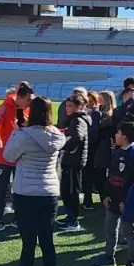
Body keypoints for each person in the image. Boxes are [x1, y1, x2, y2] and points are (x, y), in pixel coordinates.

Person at [2, 97, 66, 266]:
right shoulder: (56, 135)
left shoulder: (23, 135)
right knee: (47, 241)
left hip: (26, 192)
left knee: (28, 242)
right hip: (49, 192)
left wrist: (15, 132)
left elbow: (9, 156)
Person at [93, 121, 134, 266]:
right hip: (113, 199)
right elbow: (111, 176)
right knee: (110, 228)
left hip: (127, 202)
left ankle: (131, 262)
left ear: (124, 136)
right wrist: (106, 195)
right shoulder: (117, 151)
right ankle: (109, 256)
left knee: (130, 231)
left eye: (117, 133)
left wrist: (127, 201)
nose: (115, 135)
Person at [0, 82, 33, 234]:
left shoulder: (28, 109)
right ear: (19, 98)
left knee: (21, 190)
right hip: (3, 156)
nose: (29, 102)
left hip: (21, 157)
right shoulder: (6, 107)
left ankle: (17, 218)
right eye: (27, 99)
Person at [58, 93, 91, 232]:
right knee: (66, 190)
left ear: (79, 106)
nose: (67, 108)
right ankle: (70, 216)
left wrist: (64, 145)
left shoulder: (78, 120)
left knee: (71, 191)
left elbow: (77, 137)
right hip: (70, 160)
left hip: (73, 161)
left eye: (70, 106)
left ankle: (73, 220)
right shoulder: (73, 119)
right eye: (66, 105)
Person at [88, 90, 117, 209]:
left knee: (100, 175)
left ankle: (104, 199)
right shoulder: (107, 114)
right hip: (105, 148)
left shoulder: (106, 116)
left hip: (103, 149)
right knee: (102, 175)